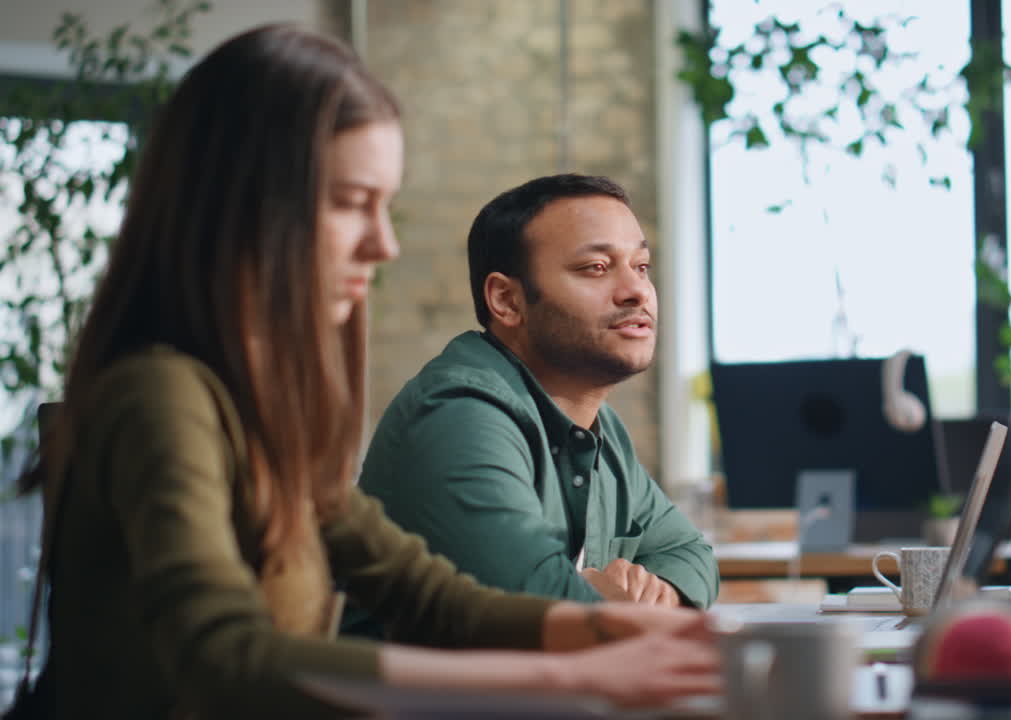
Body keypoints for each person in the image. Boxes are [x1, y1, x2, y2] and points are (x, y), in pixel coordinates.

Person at [15, 24, 717, 720]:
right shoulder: (161, 394)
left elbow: (427, 595)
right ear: (247, 206)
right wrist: (568, 672)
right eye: (353, 204)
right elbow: (226, 656)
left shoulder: (266, 405)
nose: (384, 244)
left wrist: (623, 635)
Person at [356, 174, 719, 608]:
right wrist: (599, 600)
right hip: (421, 678)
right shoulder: (459, 415)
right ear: (507, 301)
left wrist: (655, 593)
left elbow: (693, 556)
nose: (636, 291)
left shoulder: (602, 430)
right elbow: (539, 604)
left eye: (641, 266)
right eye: (596, 268)